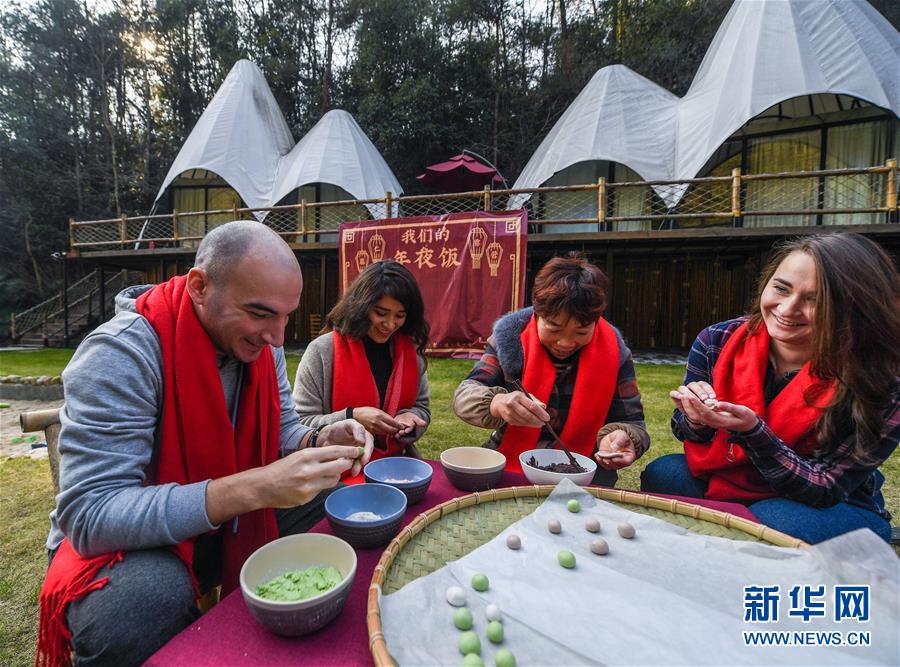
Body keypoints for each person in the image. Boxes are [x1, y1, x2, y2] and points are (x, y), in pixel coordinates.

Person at [37, 221, 374, 666]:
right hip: (131, 546)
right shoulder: (120, 354)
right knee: (140, 603)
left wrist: (320, 436)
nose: (277, 336)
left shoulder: (263, 347)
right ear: (199, 286)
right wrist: (251, 488)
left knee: (341, 494)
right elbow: (90, 515)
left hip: (225, 520)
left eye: (286, 315)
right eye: (260, 313)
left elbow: (283, 434)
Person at [641, 233, 899, 544]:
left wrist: (753, 432)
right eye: (781, 288)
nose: (788, 309)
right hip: (733, 476)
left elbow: (825, 488)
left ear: (855, 308)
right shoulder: (717, 340)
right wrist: (695, 418)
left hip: (833, 503)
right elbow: (688, 434)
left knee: (776, 518)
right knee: (665, 474)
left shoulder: (881, 376)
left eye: (814, 300)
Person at [453, 252, 649, 485]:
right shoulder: (509, 339)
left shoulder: (615, 352)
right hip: (510, 458)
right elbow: (464, 396)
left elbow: (634, 423)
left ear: (596, 321)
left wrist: (623, 438)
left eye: (581, 332)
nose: (565, 343)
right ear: (537, 314)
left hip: (585, 465)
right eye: (554, 329)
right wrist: (497, 403)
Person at [293, 260, 430, 475]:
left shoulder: (410, 351)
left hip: (398, 469)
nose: (390, 324)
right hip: (333, 474)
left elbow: (422, 407)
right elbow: (299, 423)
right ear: (361, 306)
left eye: (400, 315)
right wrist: (351, 416)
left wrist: (409, 418)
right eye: (381, 313)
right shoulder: (322, 351)